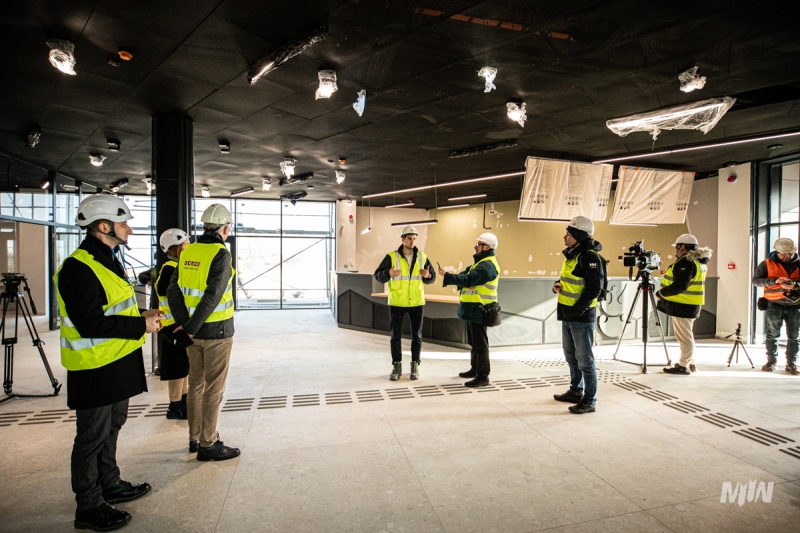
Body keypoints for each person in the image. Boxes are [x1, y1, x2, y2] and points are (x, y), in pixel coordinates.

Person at [56, 194, 162, 532]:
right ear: (103, 226)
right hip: (94, 367)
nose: (129, 229)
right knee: (91, 437)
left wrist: (141, 315)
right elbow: (89, 323)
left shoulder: (107, 259)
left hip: (116, 361)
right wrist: (139, 325)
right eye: (123, 223)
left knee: (112, 427)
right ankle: (88, 506)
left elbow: (111, 309)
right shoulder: (78, 267)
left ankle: (109, 484)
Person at [167, 204, 240, 461]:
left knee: (195, 385)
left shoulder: (189, 251)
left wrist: (185, 326)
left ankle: (194, 438)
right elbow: (213, 295)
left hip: (191, 333)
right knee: (214, 389)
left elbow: (173, 291)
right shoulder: (221, 254)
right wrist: (192, 327)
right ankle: (209, 443)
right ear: (225, 228)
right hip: (216, 332)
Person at [552, 216, 603, 414]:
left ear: (580, 236)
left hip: (580, 317)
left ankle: (589, 400)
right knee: (571, 356)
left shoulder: (590, 257)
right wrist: (558, 285)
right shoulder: (573, 255)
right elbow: (571, 280)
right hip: (568, 314)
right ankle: (575, 391)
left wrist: (578, 310)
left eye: (569, 233)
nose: (565, 236)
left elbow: (593, 289)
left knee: (585, 359)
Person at [373, 225, 436, 380]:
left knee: (417, 336)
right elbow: (377, 275)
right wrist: (388, 273)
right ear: (402, 239)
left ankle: (415, 364)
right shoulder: (391, 257)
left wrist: (428, 276)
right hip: (397, 302)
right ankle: (397, 365)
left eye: (414, 239)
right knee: (395, 336)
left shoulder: (422, 256)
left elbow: (432, 278)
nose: (412, 242)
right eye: (409, 238)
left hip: (416, 302)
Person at [438, 232, 499, 388]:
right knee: (474, 342)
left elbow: (468, 279)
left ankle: (483, 376)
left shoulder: (487, 265)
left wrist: (449, 276)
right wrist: (465, 281)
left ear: (487, 247)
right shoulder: (479, 263)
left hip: (481, 308)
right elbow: (465, 276)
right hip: (473, 309)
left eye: (479, 244)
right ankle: (475, 369)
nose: (475, 246)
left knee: (480, 344)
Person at [656, 234, 712, 375]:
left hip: (683, 305)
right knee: (687, 335)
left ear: (682, 247)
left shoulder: (686, 262)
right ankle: (690, 363)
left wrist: (661, 293)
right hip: (691, 304)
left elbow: (681, 285)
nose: (676, 250)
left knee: (684, 337)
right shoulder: (699, 262)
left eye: (677, 247)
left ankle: (683, 366)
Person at [156, 228, 191, 418]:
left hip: (174, 323)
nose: (188, 247)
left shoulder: (173, 267)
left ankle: (182, 402)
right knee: (178, 368)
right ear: (176, 248)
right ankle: (175, 406)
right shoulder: (171, 269)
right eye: (185, 244)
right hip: (172, 325)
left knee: (183, 366)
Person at [752, 237, 800, 375]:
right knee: (772, 334)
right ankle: (771, 361)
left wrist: (795, 285)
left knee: (794, 336)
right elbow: (756, 281)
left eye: (790, 253)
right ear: (777, 251)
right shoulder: (766, 264)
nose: (787, 255)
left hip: (795, 304)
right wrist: (775, 281)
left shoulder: (798, 263)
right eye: (784, 253)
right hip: (774, 304)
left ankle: (792, 364)